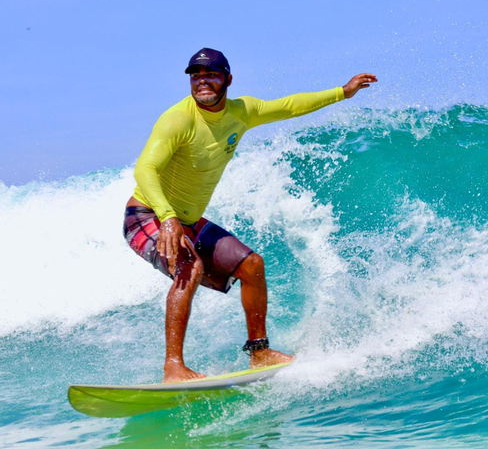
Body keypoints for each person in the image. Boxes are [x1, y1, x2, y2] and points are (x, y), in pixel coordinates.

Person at [124, 48, 377, 382]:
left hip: (187, 220)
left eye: (210, 75)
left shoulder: (241, 112)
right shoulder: (178, 119)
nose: (202, 81)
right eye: (196, 76)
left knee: (252, 265)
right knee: (190, 266)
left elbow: (289, 106)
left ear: (227, 79)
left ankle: (259, 352)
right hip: (146, 215)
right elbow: (145, 169)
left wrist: (342, 92)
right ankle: (173, 367)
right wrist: (167, 217)